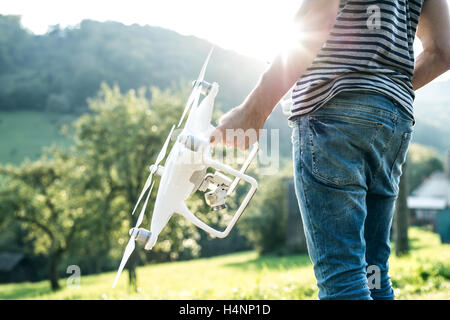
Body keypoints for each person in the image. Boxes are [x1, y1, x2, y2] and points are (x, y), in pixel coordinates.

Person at [210, 0, 450, 299]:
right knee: (373, 273)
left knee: (343, 278)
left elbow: (318, 18)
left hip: (332, 109)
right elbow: (442, 51)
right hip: (394, 119)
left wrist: (253, 111)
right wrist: (381, 89)